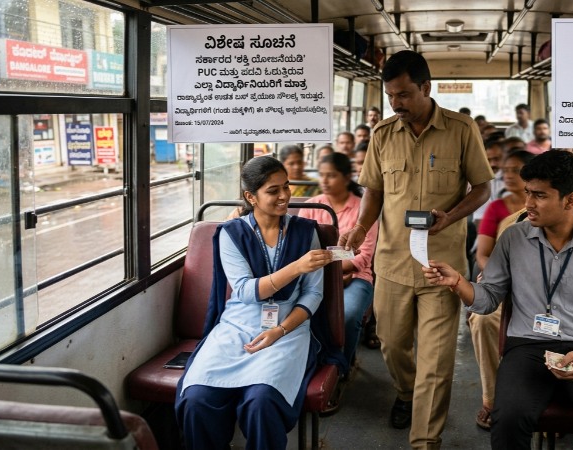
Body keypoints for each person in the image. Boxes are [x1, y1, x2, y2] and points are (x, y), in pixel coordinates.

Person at [338, 50, 493, 449]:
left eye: (404, 94)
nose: (396, 104)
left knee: (437, 361)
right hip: (391, 262)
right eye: (391, 96)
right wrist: (359, 228)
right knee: (391, 343)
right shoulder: (383, 134)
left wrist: (452, 215)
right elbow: (373, 191)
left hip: (441, 267)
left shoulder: (461, 130)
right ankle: (406, 392)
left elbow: (482, 189)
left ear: (426, 87)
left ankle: (424, 441)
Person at [423, 150, 573, 450]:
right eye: (527, 193)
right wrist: (458, 282)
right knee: (507, 421)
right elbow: (488, 298)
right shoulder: (513, 239)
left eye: (540, 196)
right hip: (528, 346)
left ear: (570, 200)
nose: (528, 204)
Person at [176, 156, 334, 450]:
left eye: (286, 186)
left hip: (287, 328)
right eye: (273, 191)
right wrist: (297, 267)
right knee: (197, 399)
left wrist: (281, 330)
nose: (285, 195)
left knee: (262, 402)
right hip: (236, 326)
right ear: (251, 197)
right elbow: (247, 292)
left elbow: (313, 294)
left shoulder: (305, 232)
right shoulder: (231, 234)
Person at [470, 149, 534, 430]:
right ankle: (492, 397)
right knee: (482, 319)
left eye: (515, 170)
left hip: (537, 283)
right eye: (505, 170)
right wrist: (496, 272)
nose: (508, 175)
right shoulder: (497, 209)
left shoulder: (547, 209)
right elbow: (483, 254)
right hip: (503, 277)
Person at [299, 153, 379, 369]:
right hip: (313, 276)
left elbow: (362, 258)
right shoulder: (311, 206)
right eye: (322, 175)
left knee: (347, 314)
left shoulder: (364, 210)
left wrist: (324, 262)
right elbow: (300, 249)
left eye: (331, 176)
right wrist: (333, 262)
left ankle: (342, 366)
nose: (324, 181)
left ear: (346, 177)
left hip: (354, 278)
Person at [472, 138, 507, 229]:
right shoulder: (480, 183)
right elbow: (479, 218)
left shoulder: (516, 179)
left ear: (506, 157)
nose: (492, 164)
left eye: (497, 159)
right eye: (489, 160)